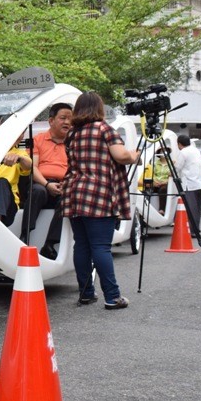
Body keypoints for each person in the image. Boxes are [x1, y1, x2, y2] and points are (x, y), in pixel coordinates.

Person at [61, 91, 139, 310]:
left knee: (82, 246)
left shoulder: (73, 134)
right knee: (101, 247)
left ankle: (86, 294)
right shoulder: (105, 129)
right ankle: (112, 297)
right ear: (99, 108)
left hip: (75, 193)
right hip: (98, 194)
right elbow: (121, 156)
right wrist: (134, 155)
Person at [21, 102, 73, 259]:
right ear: (51, 121)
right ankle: (25, 237)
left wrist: (67, 184)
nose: (67, 122)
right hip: (42, 184)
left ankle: (50, 244)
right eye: (63, 118)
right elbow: (33, 167)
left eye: (70, 119)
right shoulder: (38, 140)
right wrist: (47, 184)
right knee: (38, 191)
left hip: (63, 186)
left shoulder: (73, 143)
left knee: (68, 197)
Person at [0, 115, 32, 226]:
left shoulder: (19, 153)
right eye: (15, 131)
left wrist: (19, 159)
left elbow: (28, 165)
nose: (18, 135)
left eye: (22, 132)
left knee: (1, 182)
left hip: (7, 207)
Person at [173, 134, 201, 234]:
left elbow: (177, 168)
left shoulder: (183, 152)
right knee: (197, 208)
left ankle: (193, 231)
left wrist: (173, 165)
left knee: (191, 208)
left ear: (179, 143)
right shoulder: (196, 150)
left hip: (190, 184)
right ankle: (196, 229)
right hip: (200, 183)